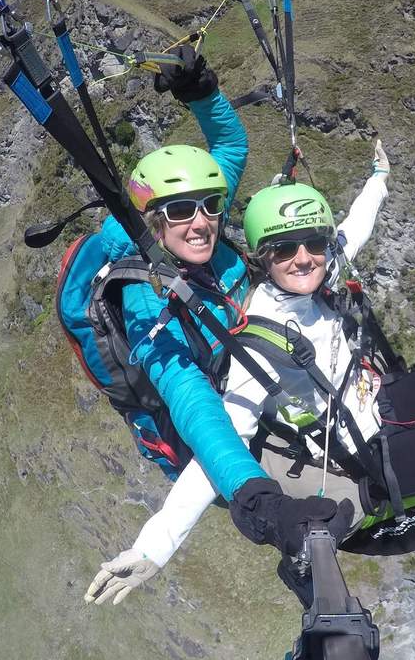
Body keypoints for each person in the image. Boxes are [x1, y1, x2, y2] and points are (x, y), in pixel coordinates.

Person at [87, 142, 415, 607]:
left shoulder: (320, 271)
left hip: (370, 402)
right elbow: (219, 441)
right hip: (358, 452)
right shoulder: (260, 341)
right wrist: (155, 545)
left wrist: (379, 178)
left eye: (312, 244)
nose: (303, 257)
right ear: (263, 258)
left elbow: (354, 228)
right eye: (285, 250)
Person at [97, 45, 351, 562]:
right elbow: (192, 402)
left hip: (271, 364)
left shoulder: (199, 219)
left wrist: (201, 92)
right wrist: (253, 495)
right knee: (344, 506)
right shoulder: (145, 300)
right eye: (180, 211)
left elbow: (230, 147)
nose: (201, 222)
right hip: (233, 427)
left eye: (210, 206)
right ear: (153, 220)